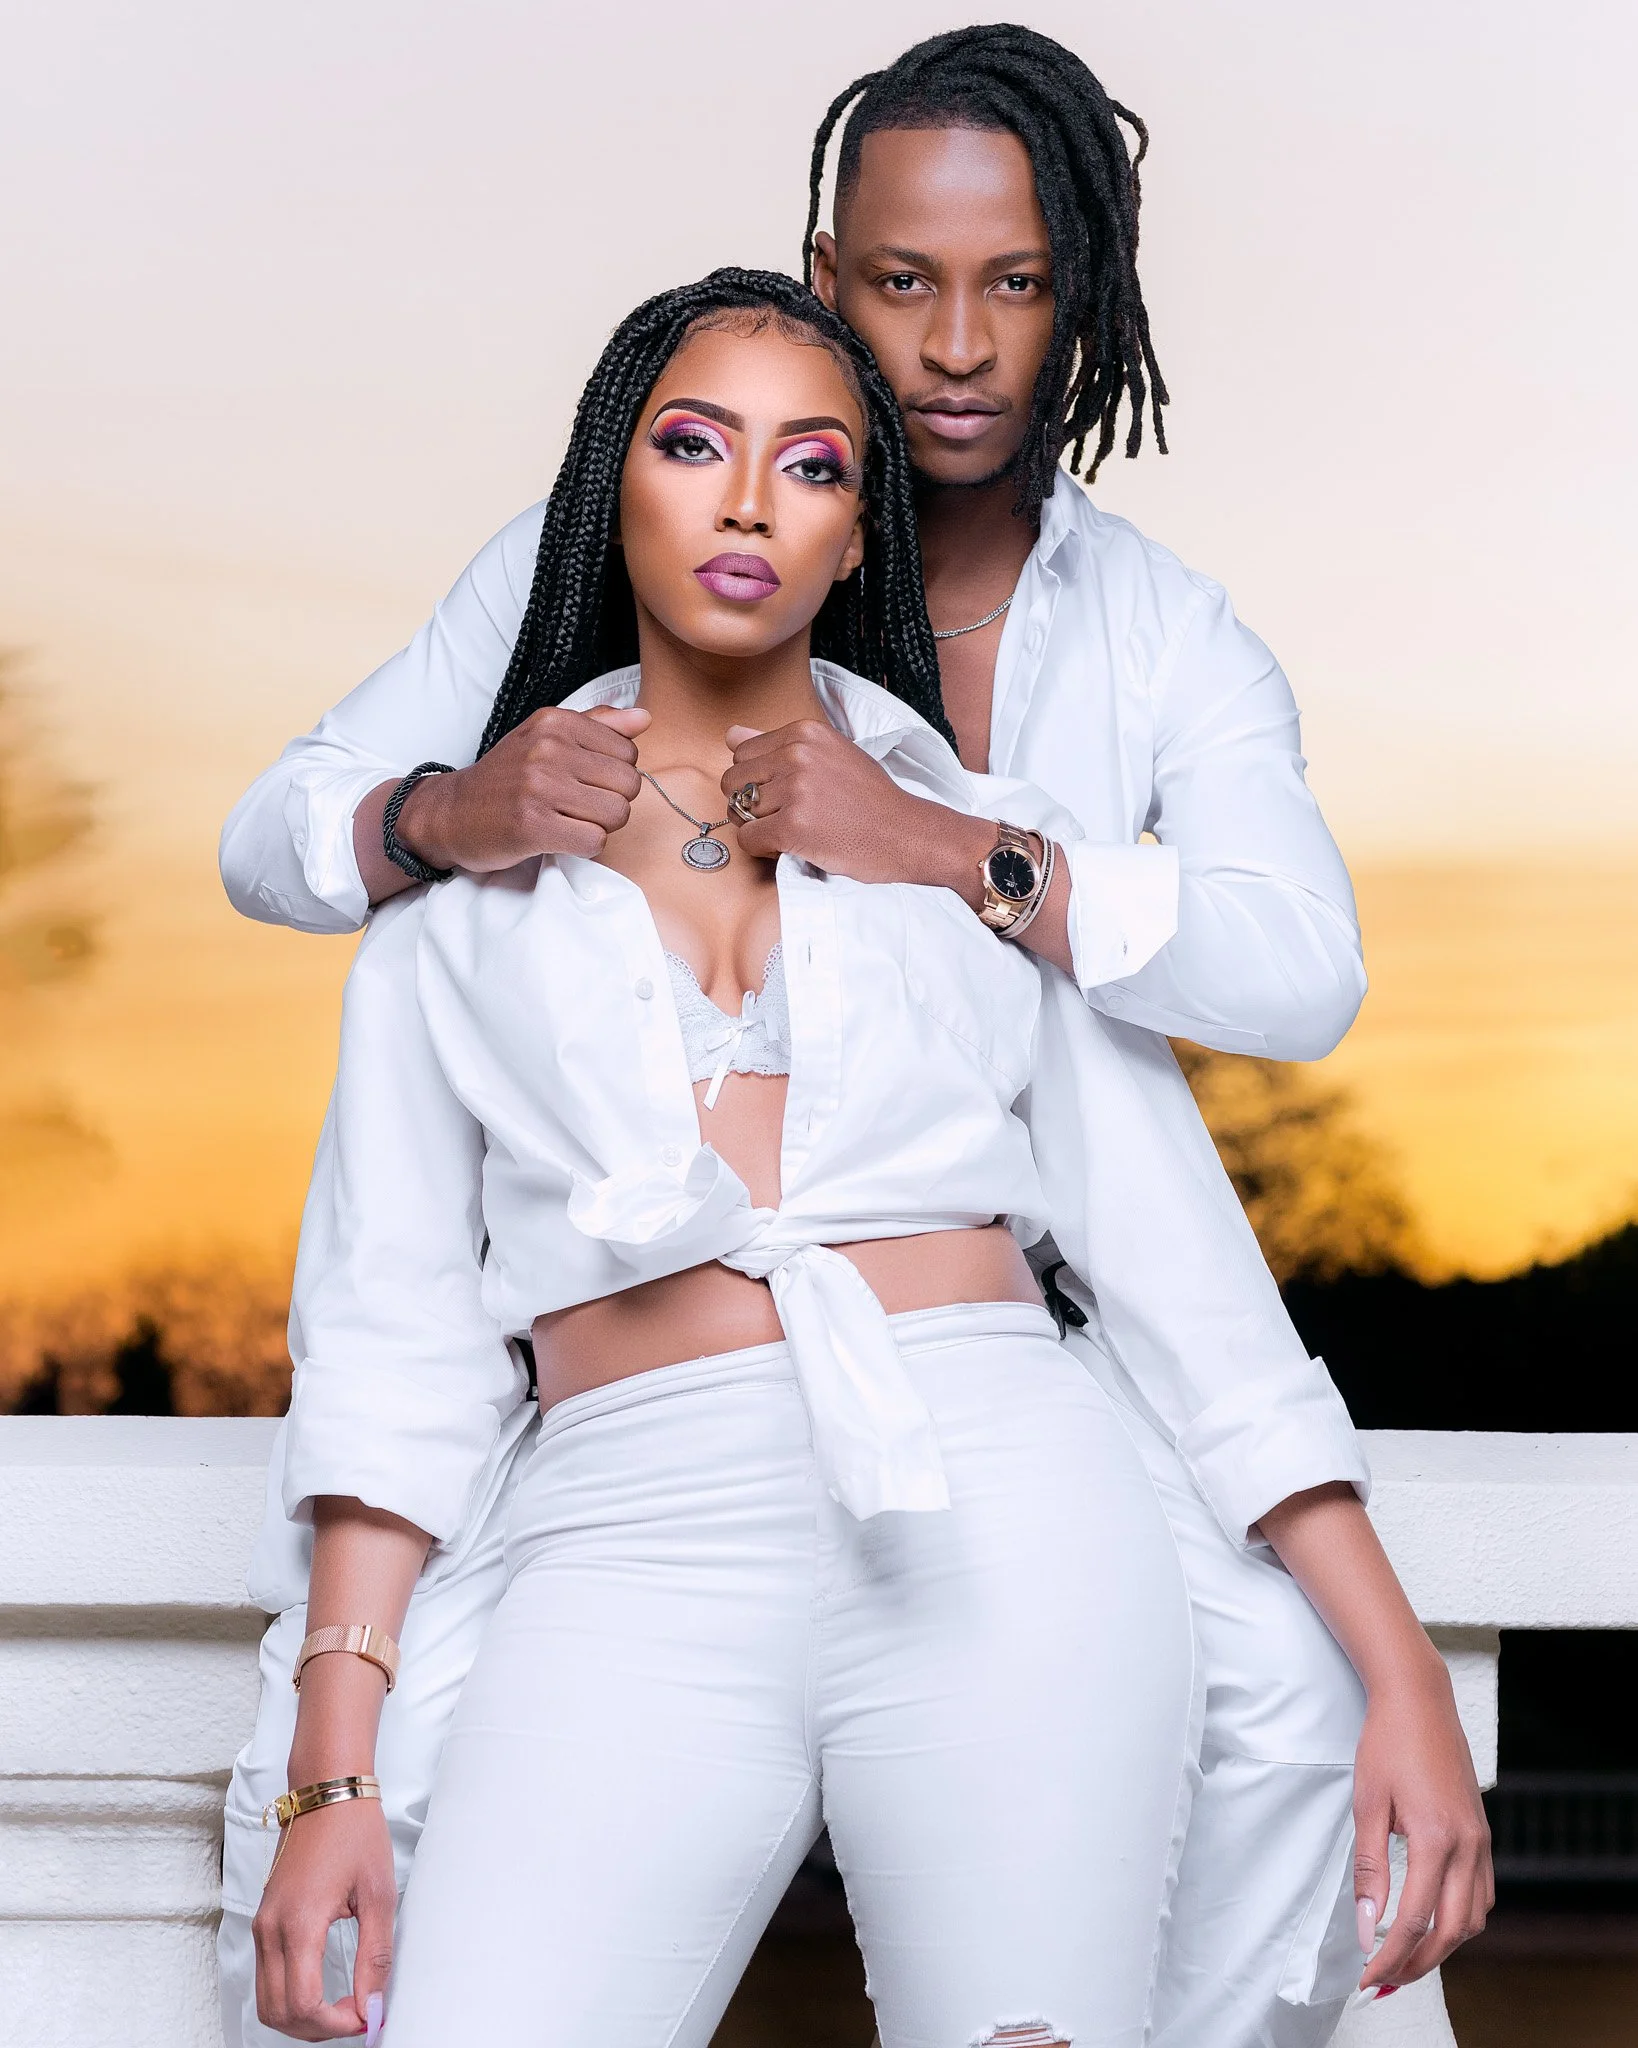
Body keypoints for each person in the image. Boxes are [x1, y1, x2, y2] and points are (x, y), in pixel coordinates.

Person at [217, 29, 1491, 2048]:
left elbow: (1203, 1158)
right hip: (634, 1485)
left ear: (1083, 299)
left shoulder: (1103, 700)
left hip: (1006, 1443)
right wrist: (440, 820)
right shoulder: (482, 849)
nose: (958, 346)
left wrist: (962, 853)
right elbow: (376, 1294)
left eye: (811, 465)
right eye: (899, 286)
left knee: (1254, 1787)